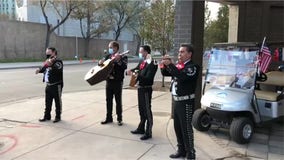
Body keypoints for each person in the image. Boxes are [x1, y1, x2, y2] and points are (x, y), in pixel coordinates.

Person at [161, 43, 199, 160]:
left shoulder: (193, 67)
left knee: (186, 128)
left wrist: (171, 65)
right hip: (177, 102)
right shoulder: (180, 66)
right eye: (179, 52)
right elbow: (167, 73)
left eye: (182, 52)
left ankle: (190, 153)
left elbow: (182, 77)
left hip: (186, 102)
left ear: (189, 54)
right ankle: (181, 150)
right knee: (177, 127)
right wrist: (164, 65)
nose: (179, 54)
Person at [127, 45, 158, 140]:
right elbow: (137, 69)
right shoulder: (142, 61)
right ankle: (141, 128)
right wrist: (129, 71)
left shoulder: (153, 63)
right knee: (141, 109)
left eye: (141, 52)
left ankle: (148, 132)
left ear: (146, 52)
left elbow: (149, 78)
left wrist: (137, 75)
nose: (140, 54)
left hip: (146, 89)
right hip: (140, 88)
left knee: (147, 110)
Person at [99, 41, 128, 126]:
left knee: (118, 101)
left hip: (117, 81)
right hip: (109, 81)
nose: (109, 49)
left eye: (111, 47)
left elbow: (124, 67)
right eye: (109, 47)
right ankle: (109, 118)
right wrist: (100, 63)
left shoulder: (123, 56)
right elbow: (102, 65)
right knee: (108, 100)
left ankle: (119, 118)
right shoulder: (108, 56)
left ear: (116, 48)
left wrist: (118, 60)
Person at [36, 47, 63, 123]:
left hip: (56, 85)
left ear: (54, 53)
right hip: (48, 85)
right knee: (47, 102)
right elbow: (44, 68)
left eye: (49, 53)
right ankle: (47, 116)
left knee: (57, 101)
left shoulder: (58, 61)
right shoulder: (47, 61)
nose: (47, 54)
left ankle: (58, 116)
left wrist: (51, 64)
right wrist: (39, 69)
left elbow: (58, 70)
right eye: (46, 53)